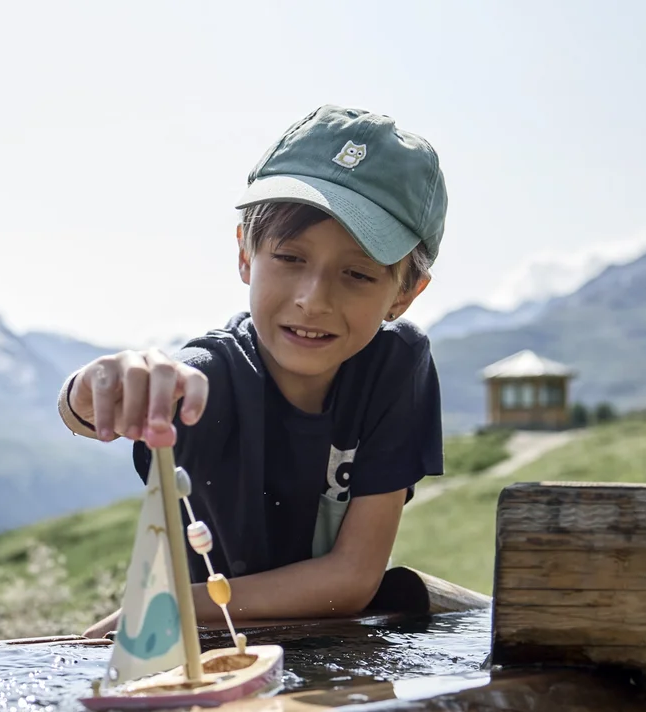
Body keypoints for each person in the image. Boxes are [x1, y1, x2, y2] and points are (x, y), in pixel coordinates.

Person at [57, 105, 447, 634]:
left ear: (404, 294)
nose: (313, 299)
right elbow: (121, 394)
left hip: (322, 655)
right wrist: (86, 394)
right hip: (206, 662)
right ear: (245, 253)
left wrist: (165, 608)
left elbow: (353, 577)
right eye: (289, 258)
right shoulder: (206, 381)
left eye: (357, 273)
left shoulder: (395, 367)